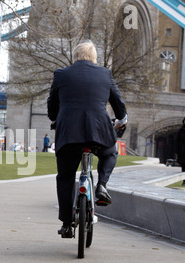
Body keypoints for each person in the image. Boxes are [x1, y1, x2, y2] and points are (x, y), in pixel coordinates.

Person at [47, 40, 127, 238]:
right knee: (109, 153)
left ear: (75, 57)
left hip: (68, 133)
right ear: (94, 58)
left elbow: (51, 107)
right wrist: (121, 120)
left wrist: (56, 118)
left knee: (65, 176)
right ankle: (102, 185)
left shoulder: (61, 74)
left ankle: (66, 223)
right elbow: (119, 104)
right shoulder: (105, 74)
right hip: (99, 130)